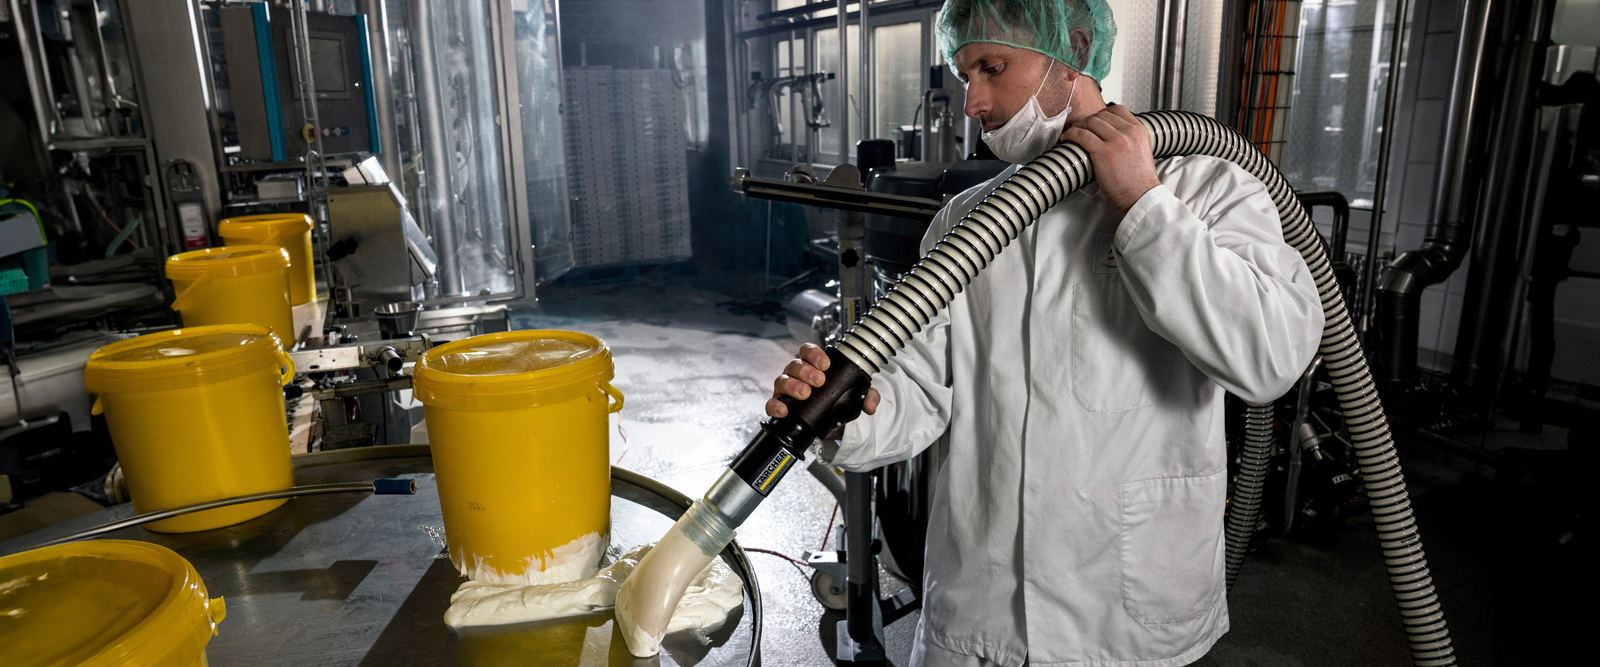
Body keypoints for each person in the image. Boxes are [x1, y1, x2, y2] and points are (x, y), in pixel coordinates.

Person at [766, 1, 1325, 665]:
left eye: (992, 68)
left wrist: (1145, 208)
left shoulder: (1205, 186)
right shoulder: (968, 221)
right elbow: (922, 383)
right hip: (979, 613)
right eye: (964, 72)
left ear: (1075, 49)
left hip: (1122, 617)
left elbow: (1271, 355)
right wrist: (853, 411)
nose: (972, 100)